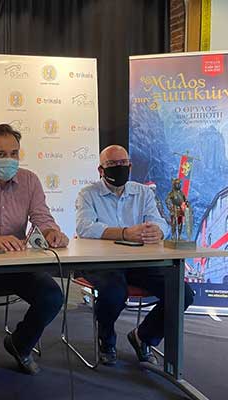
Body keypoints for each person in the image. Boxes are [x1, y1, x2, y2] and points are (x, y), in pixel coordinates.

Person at [0, 123, 68, 378]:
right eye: (1, 154)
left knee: (52, 296)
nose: (9, 159)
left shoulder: (30, 180)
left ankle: (20, 344)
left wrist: (51, 232)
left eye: (14, 153)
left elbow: (42, 217)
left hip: (18, 264)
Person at [75, 145, 194, 365]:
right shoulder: (88, 194)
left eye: (123, 163)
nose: (119, 167)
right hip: (101, 262)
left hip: (139, 261)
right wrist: (124, 233)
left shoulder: (143, 192)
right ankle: (106, 339)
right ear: (101, 170)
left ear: (130, 166)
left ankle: (143, 337)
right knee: (114, 293)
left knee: (182, 293)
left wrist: (159, 231)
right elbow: (84, 228)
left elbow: (159, 221)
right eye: (112, 164)